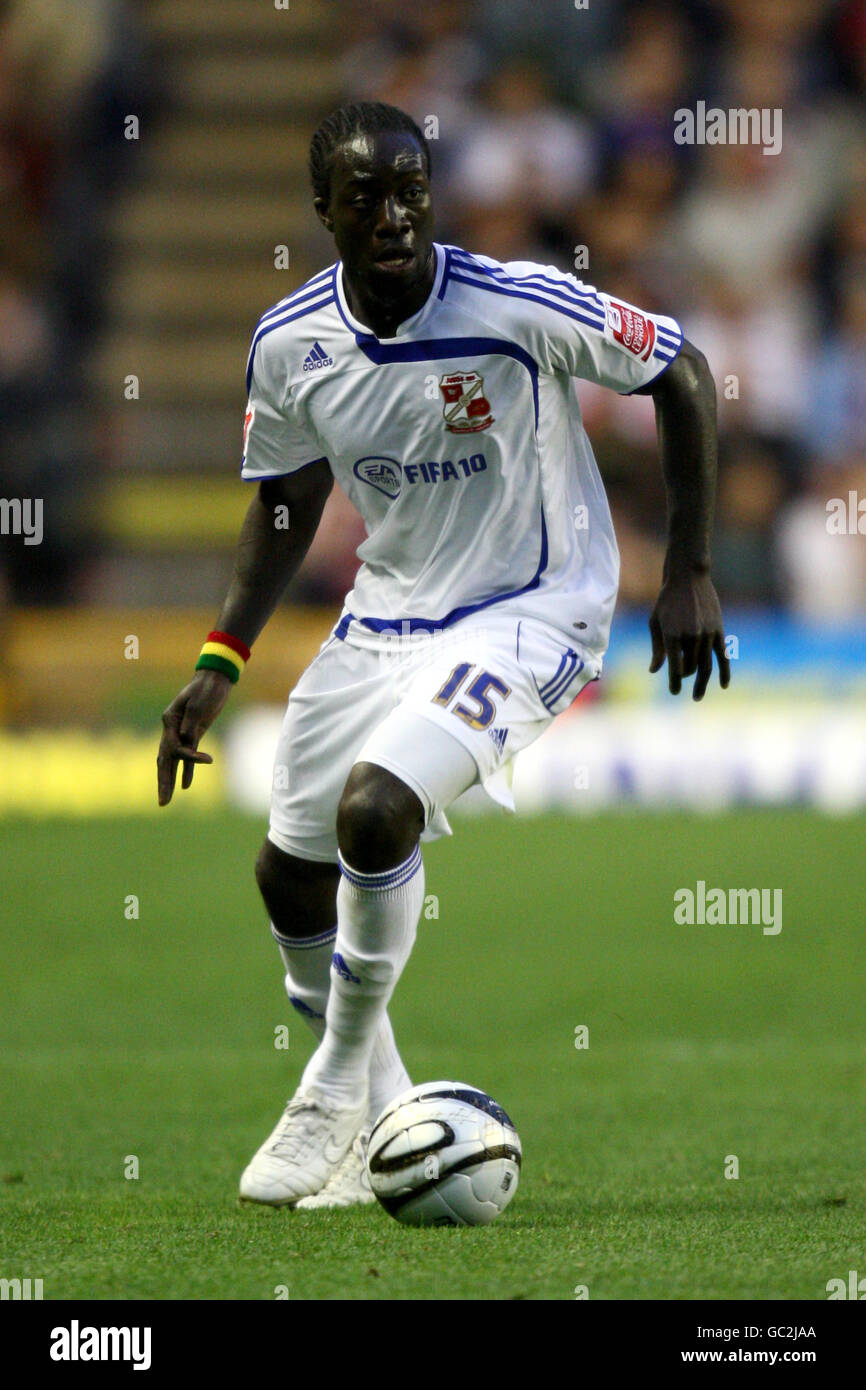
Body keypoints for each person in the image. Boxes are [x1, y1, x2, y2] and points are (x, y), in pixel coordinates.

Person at [156, 101, 730, 1210]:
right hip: (389, 612)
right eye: (365, 196)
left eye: (410, 189)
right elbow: (286, 497)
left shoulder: (516, 303)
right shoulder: (289, 344)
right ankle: (384, 1115)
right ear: (322, 210)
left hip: (532, 607)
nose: (393, 215)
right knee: (287, 867)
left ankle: (329, 1085)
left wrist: (688, 567)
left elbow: (682, 370)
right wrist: (218, 658)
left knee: (377, 809)